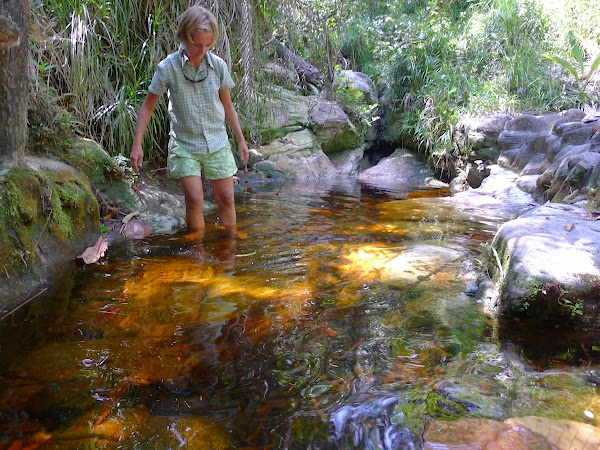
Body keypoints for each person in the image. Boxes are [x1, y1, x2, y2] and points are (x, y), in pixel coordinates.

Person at [130, 5, 249, 236]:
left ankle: (228, 247)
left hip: (217, 141)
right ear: (185, 37)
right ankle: (197, 250)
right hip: (184, 143)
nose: (202, 50)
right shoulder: (168, 68)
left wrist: (241, 140)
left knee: (226, 197)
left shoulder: (218, 66)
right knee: (194, 198)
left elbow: (228, 106)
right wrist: (137, 144)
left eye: (208, 45)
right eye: (197, 44)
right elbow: (147, 107)